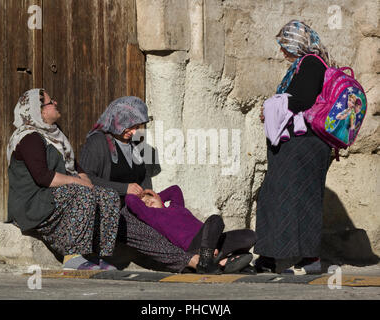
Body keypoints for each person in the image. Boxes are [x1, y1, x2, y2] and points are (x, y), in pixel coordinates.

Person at [79, 97, 199, 273]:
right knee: (145, 234)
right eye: (130, 126)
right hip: (112, 212)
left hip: (138, 208)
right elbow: (86, 180)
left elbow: (143, 178)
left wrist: (150, 198)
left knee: (170, 222)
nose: (134, 131)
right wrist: (124, 189)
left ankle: (205, 252)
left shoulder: (136, 146)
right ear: (117, 120)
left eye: (137, 127)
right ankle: (192, 261)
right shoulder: (97, 142)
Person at [6, 89, 121, 270]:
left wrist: (85, 180)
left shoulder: (55, 135)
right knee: (82, 193)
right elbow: (43, 177)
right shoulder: (30, 137)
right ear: (40, 111)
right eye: (51, 102)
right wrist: (77, 182)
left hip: (53, 196)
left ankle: (95, 254)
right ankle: (72, 256)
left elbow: (75, 167)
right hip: (32, 203)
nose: (56, 103)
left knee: (108, 196)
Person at [255, 20, 333, 275]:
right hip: (300, 144)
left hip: (302, 145)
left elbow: (301, 100)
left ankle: (284, 259)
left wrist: (271, 107)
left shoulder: (310, 64)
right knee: (286, 198)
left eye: (284, 44)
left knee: (286, 198)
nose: (281, 50)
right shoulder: (307, 64)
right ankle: (274, 257)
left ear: (295, 43)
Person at [125, 185, 257, 274]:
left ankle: (221, 263)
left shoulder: (176, 207)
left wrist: (156, 195)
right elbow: (130, 200)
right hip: (193, 246)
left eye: (149, 198)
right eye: (144, 203)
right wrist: (137, 194)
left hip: (211, 241)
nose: (147, 202)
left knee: (250, 236)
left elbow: (175, 190)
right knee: (215, 219)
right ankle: (206, 260)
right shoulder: (151, 216)